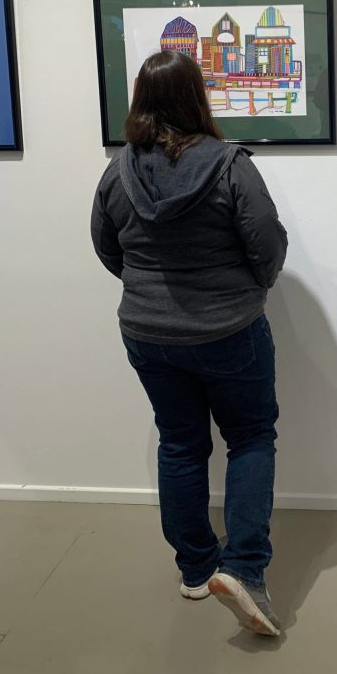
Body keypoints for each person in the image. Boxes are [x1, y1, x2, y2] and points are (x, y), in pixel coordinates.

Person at [90, 50, 287, 637]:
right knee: (250, 437)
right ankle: (244, 570)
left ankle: (197, 569)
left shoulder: (117, 171)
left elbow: (107, 249)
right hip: (229, 330)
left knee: (179, 443)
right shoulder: (229, 165)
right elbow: (268, 246)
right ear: (196, 96)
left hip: (147, 334)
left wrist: (149, 291)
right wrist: (248, 289)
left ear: (140, 101)